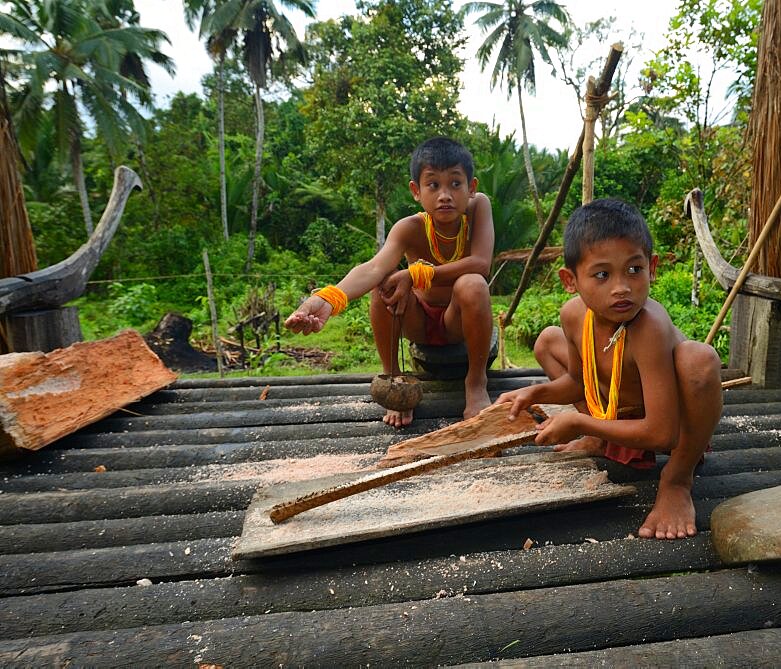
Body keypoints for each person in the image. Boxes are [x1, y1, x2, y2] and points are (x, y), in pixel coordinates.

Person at [496, 198, 722, 540]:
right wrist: (535, 393)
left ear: (653, 267)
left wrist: (579, 422)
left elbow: (663, 433)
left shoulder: (649, 326)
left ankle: (677, 479)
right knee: (546, 342)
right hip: (621, 414)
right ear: (570, 280)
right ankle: (601, 440)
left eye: (634, 269)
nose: (622, 287)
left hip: (674, 425)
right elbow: (577, 382)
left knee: (700, 361)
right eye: (602, 274)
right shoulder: (574, 316)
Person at [285, 137, 495, 427]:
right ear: (416, 191)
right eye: (433, 185)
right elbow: (373, 268)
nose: (445, 195)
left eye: (455, 184)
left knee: (472, 283)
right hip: (418, 322)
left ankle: (475, 382)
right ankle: (394, 383)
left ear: (471, 188)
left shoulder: (479, 207)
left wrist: (415, 274)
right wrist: (327, 299)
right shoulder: (409, 228)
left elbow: (481, 264)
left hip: (458, 321)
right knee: (382, 284)